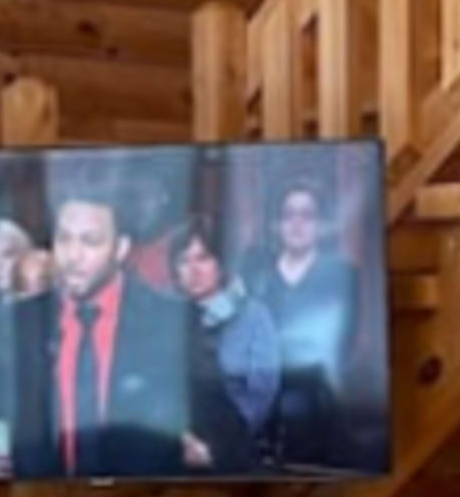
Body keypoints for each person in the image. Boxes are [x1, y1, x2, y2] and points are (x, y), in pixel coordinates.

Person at [14, 172, 212, 479]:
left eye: (90, 241)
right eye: (63, 239)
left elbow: (221, 433)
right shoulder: (22, 321)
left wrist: (204, 453)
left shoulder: (173, 322)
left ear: (121, 248)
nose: (72, 256)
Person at [263, 178, 371, 470]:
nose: (297, 224)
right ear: (277, 225)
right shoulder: (258, 275)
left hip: (322, 400)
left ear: (320, 225)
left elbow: (342, 344)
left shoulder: (341, 274)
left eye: (307, 215)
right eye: (288, 215)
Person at [176, 226, 280, 465]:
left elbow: (261, 394)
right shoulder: (167, 319)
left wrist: (216, 448)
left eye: (203, 258)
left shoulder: (254, 316)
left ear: (220, 265)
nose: (193, 269)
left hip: (234, 443)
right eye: (184, 261)